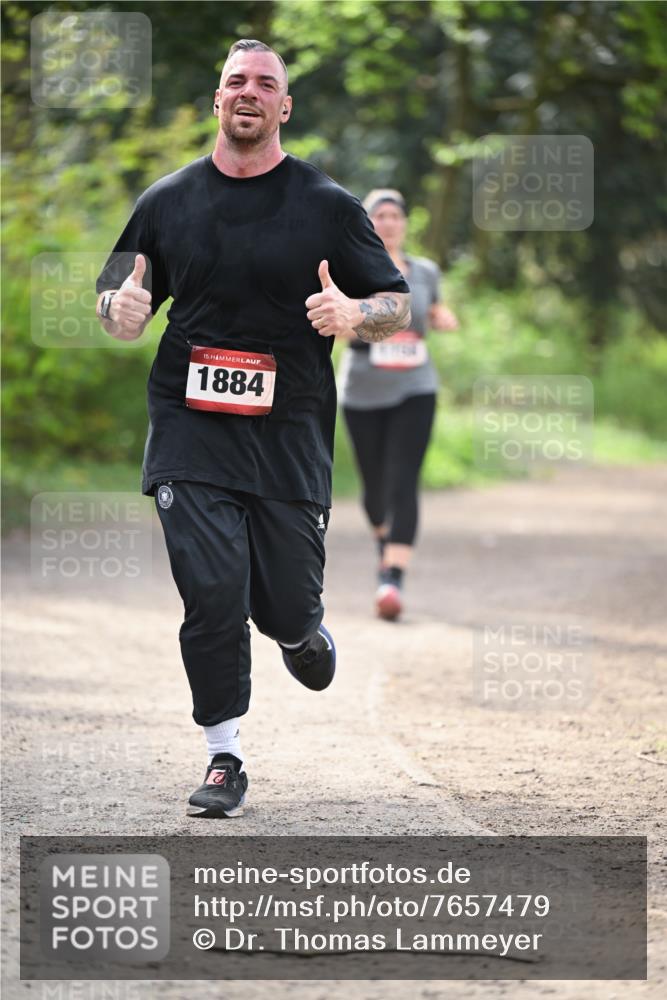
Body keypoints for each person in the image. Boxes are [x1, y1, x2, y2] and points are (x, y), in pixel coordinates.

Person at [95, 42, 410, 818]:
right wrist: (117, 311)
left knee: (283, 606)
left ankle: (299, 632)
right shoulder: (167, 200)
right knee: (210, 591)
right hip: (189, 426)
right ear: (216, 99)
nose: (249, 91)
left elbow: (394, 304)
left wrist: (353, 313)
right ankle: (223, 755)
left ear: (284, 107)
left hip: (287, 433)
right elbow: (115, 293)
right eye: (236, 80)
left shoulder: (327, 206)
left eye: (265, 84)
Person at [337, 189, 458, 621]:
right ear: (368, 224)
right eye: (380, 216)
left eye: (395, 216)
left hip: (416, 386)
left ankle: (392, 579)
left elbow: (435, 311)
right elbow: (337, 326)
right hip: (363, 390)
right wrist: (353, 324)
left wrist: (442, 318)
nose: (388, 222)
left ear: (405, 223)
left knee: (404, 480)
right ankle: (385, 549)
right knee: (374, 490)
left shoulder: (425, 271)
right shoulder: (350, 269)